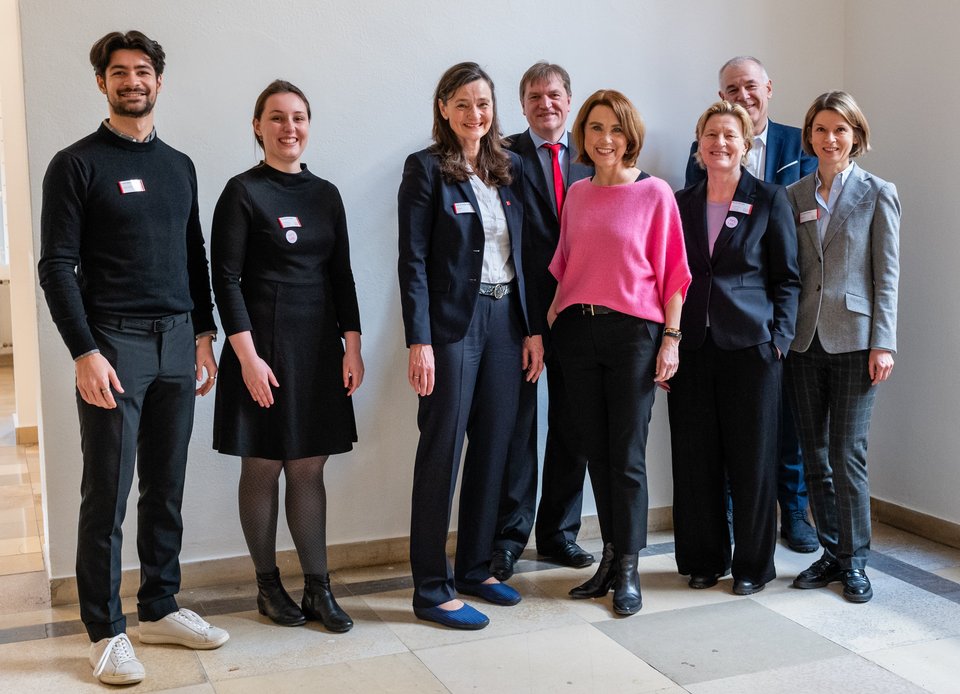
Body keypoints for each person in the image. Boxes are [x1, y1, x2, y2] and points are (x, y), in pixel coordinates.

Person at [37, 30, 228, 686]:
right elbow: (56, 266)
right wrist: (85, 351)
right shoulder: (76, 164)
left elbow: (192, 255)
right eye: (119, 72)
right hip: (113, 345)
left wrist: (205, 335)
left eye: (143, 71)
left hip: (178, 341)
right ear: (102, 83)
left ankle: (159, 604)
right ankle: (105, 630)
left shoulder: (179, 165)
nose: (132, 82)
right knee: (107, 494)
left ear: (158, 81)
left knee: (166, 486)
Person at [211, 80, 363, 632]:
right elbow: (224, 280)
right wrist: (247, 358)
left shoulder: (325, 194)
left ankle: (319, 589)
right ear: (258, 127)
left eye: (298, 117)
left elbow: (341, 274)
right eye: (276, 118)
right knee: (264, 463)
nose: (289, 128)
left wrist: (353, 344)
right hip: (262, 349)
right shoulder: (242, 191)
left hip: (318, 350)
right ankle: (268, 586)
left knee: (308, 466)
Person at [398, 62, 543, 630]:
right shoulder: (426, 169)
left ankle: (476, 568)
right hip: (452, 326)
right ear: (443, 108)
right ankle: (430, 589)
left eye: (483, 103)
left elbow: (525, 256)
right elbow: (412, 260)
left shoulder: (507, 170)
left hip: (507, 318)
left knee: (494, 446)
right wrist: (420, 340)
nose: (475, 114)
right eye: (462, 103)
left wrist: (533, 329)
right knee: (442, 449)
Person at [547, 90, 690, 616]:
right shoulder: (578, 194)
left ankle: (628, 568)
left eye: (615, 130)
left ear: (630, 137)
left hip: (635, 336)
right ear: (582, 136)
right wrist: (553, 318)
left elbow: (675, 275)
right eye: (595, 129)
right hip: (578, 335)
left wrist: (670, 341)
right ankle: (608, 559)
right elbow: (567, 263)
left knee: (626, 456)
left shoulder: (656, 194)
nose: (605, 140)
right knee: (596, 453)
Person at [684, 55, 819, 554]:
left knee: (781, 434)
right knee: (713, 443)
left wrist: (780, 336)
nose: (741, 96)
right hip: (706, 330)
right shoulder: (694, 169)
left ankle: (793, 517)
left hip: (769, 321)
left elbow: (795, 243)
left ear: (768, 87)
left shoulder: (795, 144)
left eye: (749, 86)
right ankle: (715, 539)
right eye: (730, 89)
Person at [670, 101, 800, 596]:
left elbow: (788, 279)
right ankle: (704, 559)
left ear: (745, 145)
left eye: (730, 136)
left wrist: (780, 342)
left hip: (753, 349)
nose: (719, 143)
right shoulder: (680, 203)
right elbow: (671, 277)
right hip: (692, 347)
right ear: (698, 144)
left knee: (753, 461)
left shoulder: (768, 198)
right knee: (695, 458)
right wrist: (670, 338)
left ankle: (751, 565)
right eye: (710, 135)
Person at [786, 91, 900, 603]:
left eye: (840, 129)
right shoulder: (794, 195)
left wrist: (885, 342)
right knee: (814, 455)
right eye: (820, 129)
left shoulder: (879, 193)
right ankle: (831, 553)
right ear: (809, 136)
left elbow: (887, 275)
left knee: (847, 453)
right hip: (803, 339)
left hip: (857, 340)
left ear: (856, 136)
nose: (829, 139)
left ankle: (855, 561)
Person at [491, 61, 595, 581]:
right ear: (523, 103)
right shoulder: (501, 156)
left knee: (572, 426)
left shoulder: (593, 154)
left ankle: (559, 535)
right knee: (518, 428)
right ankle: (510, 537)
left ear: (569, 99)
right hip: (521, 313)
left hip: (580, 313)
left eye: (554, 94)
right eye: (534, 96)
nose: (545, 104)